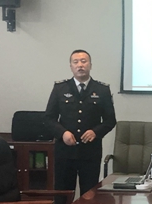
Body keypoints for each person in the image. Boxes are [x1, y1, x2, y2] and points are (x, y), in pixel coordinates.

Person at [45, 49, 116, 195]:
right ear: (71, 66)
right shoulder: (60, 88)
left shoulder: (102, 90)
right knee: (63, 194)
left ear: (90, 65)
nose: (80, 65)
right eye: (76, 62)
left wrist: (95, 132)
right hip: (65, 151)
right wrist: (62, 133)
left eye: (84, 61)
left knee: (89, 194)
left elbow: (110, 120)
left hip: (90, 151)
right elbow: (48, 118)